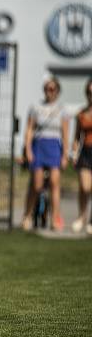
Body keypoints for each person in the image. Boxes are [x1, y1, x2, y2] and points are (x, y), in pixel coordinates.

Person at [22, 77, 69, 231]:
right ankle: (27, 215)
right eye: (47, 88)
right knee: (37, 184)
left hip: (54, 146)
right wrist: (28, 149)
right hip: (39, 145)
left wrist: (65, 155)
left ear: (58, 91)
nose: (50, 92)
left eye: (53, 89)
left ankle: (55, 218)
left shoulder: (63, 109)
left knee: (55, 183)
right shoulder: (35, 107)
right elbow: (29, 129)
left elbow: (65, 134)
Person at [71, 78, 92, 234]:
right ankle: (81, 216)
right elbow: (77, 137)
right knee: (85, 187)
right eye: (90, 92)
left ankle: (90, 220)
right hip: (86, 152)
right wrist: (74, 153)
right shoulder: (81, 114)